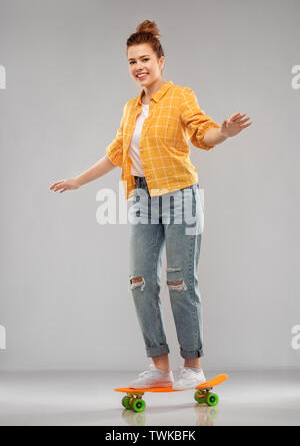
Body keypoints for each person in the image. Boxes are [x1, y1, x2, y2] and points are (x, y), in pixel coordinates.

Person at [49, 20, 252, 390]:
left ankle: (192, 365)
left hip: (180, 196)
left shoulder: (179, 96)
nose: (138, 67)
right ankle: (159, 367)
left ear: (161, 60)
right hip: (142, 199)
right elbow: (115, 154)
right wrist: (77, 180)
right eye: (131, 61)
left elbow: (201, 131)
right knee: (140, 281)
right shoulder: (130, 109)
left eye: (145, 59)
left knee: (179, 281)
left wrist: (224, 132)